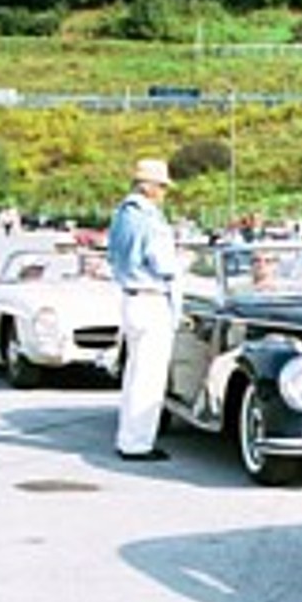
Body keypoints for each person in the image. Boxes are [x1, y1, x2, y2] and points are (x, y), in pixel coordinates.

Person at [106, 158, 180, 462]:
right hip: (151, 297)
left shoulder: (122, 216)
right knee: (149, 376)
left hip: (130, 296)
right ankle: (138, 443)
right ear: (148, 187)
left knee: (134, 373)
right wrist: (183, 263)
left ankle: (128, 436)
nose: (163, 192)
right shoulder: (149, 218)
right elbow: (163, 264)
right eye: (161, 186)